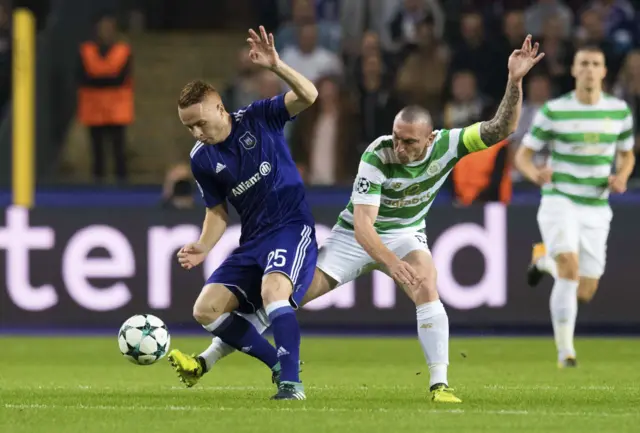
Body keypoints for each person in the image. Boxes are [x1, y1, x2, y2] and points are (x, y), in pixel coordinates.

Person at [170, 36, 545, 403]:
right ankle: (209, 358)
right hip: (354, 236)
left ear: (430, 139)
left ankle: (439, 384)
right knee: (285, 298)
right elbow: (365, 226)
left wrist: (514, 81)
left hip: (404, 234)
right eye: (396, 137)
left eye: (410, 142)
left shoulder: (450, 145)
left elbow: (502, 129)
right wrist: (392, 264)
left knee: (426, 285)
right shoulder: (376, 156)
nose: (399, 147)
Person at [168, 26, 319, 401]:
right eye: (189, 127)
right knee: (206, 309)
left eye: (201, 122)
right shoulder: (201, 160)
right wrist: (203, 245)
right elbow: (217, 211)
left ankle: (291, 384)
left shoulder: (259, 117)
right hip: (252, 240)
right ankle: (278, 363)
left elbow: (309, 95)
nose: (197, 132)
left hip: (289, 227)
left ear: (221, 107)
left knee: (273, 291)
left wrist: (277, 65)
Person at [515, 46, 635, 368]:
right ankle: (565, 352)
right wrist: (535, 175)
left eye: (596, 64)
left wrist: (622, 176)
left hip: (596, 205)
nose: (589, 70)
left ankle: (543, 262)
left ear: (605, 71)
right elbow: (522, 156)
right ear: (573, 70)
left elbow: (627, 154)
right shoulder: (554, 111)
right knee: (569, 266)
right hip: (560, 199)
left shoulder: (619, 111)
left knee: (585, 290)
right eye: (583, 63)